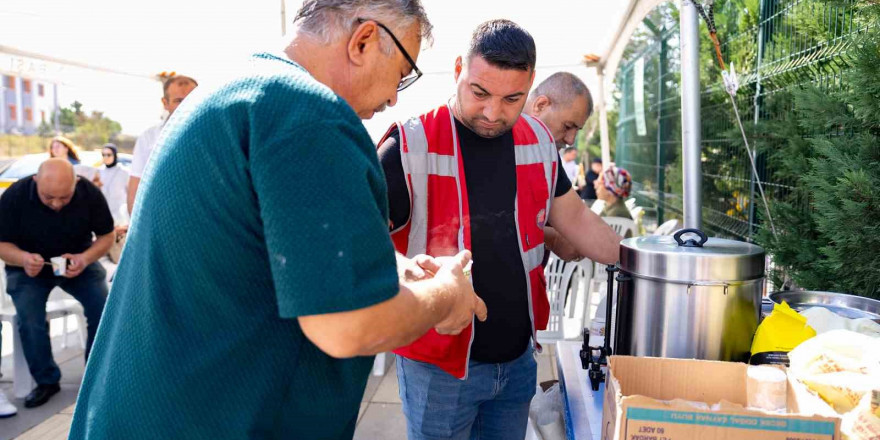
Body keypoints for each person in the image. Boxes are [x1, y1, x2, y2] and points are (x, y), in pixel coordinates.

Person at [69, 1, 485, 439]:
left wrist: (386, 267)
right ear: (363, 41)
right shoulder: (308, 114)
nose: (394, 98)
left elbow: (264, 247)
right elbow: (348, 325)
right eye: (402, 74)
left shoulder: (231, 92)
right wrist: (446, 294)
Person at [377, 20, 621, 440]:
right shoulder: (409, 143)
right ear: (458, 70)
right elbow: (363, 248)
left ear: (531, 89)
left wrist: (646, 262)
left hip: (517, 362)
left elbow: (576, 219)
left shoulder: (539, 141)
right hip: (437, 367)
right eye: (480, 93)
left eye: (512, 98)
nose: (493, 113)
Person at [0, 159, 112, 409]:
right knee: (29, 318)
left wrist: (85, 258)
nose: (57, 204)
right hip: (28, 265)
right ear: (35, 181)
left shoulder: (89, 193)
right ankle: (46, 381)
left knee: (104, 308)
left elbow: (107, 236)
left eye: (65, 197)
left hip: (78, 261)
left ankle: (96, 376)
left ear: (76, 183)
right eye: (49, 197)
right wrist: (23, 258)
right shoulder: (15, 196)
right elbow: (2, 244)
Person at [127, 74, 197, 215]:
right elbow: (136, 183)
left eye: (192, 99)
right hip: (159, 215)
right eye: (179, 101)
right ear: (165, 103)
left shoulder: (213, 135)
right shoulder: (148, 138)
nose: (187, 105)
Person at [97, 143, 129, 223]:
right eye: (103, 155)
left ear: (115, 155)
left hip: (120, 215)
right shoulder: (98, 171)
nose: (106, 157)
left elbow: (130, 192)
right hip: (102, 212)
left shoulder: (124, 172)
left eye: (108, 155)